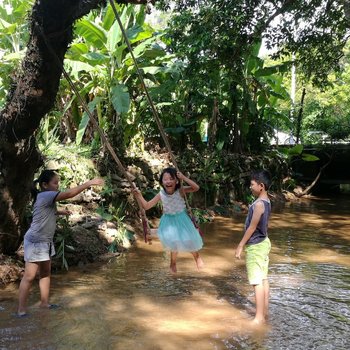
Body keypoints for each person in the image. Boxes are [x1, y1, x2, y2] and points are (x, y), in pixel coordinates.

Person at [17, 170, 104, 317]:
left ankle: (44, 303)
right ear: (45, 185)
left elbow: (47, 212)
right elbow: (69, 194)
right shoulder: (46, 195)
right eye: (55, 183)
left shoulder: (45, 197)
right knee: (29, 276)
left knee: (45, 273)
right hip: (36, 241)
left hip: (45, 241)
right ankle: (21, 311)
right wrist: (88, 183)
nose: (58, 186)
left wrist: (62, 212)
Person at [133, 167, 204, 273]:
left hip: (182, 219)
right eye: (165, 179)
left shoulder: (180, 191)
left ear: (176, 181)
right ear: (162, 182)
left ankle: (197, 258)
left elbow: (196, 188)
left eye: (171, 179)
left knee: (189, 241)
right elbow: (147, 206)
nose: (168, 181)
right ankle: (173, 264)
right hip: (168, 221)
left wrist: (183, 177)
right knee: (174, 244)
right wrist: (138, 196)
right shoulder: (161, 194)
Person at [235, 170, 272, 325]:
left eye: (252, 184)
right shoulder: (267, 201)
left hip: (256, 245)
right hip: (264, 242)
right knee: (263, 278)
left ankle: (259, 318)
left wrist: (240, 245)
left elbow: (251, 227)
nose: (250, 187)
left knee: (256, 281)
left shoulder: (258, 205)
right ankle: (264, 311)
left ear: (261, 186)